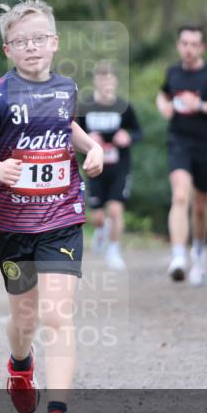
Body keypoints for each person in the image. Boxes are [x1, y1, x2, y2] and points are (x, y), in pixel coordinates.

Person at [0, 0, 104, 413]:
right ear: (8, 49)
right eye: (21, 41)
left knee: (58, 315)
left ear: (55, 43)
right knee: (24, 316)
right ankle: (20, 364)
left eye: (39, 39)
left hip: (62, 217)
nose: (32, 47)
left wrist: (91, 147)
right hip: (13, 225)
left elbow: (68, 128)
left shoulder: (66, 88)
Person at [156, 26, 207, 285]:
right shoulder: (173, 72)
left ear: (202, 48)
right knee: (180, 195)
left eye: (194, 44)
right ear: (179, 46)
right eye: (184, 43)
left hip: (206, 144)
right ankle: (178, 257)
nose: (188, 48)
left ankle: (198, 254)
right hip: (178, 141)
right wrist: (165, 106)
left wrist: (200, 105)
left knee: (200, 204)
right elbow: (163, 93)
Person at [75, 61, 142, 271]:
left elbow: (139, 132)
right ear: (96, 81)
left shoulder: (124, 107)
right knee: (97, 217)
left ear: (115, 82)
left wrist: (128, 136)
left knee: (115, 209)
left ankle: (114, 251)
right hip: (95, 168)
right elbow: (73, 135)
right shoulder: (85, 107)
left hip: (119, 166)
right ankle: (101, 231)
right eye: (102, 79)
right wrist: (87, 138)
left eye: (110, 79)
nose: (106, 83)